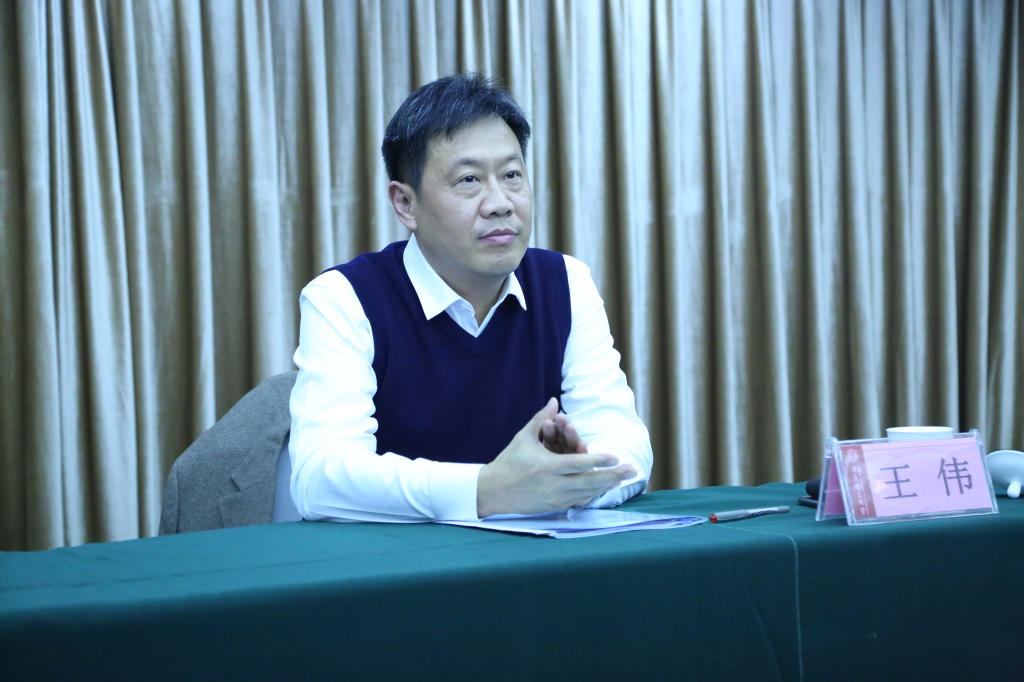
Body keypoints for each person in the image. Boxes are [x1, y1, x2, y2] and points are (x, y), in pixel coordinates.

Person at [288, 74, 652, 522]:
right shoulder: (345, 298)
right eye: (468, 180)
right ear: (405, 204)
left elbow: (625, 443)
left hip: (541, 556)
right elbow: (319, 480)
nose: (500, 202)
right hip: (397, 561)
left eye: (512, 175)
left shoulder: (566, 284)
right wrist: (486, 490)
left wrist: (570, 482)